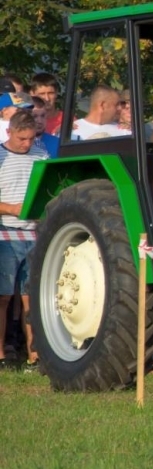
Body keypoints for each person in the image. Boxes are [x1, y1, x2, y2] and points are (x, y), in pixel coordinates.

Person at [0, 111, 49, 370]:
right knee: (4, 296)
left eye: (31, 138)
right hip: (6, 232)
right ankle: (2, 356)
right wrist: (11, 209)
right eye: (21, 138)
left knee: (32, 296)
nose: (26, 144)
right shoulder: (1, 157)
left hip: (35, 233)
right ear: (9, 132)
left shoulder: (42, 156)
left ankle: (35, 354)